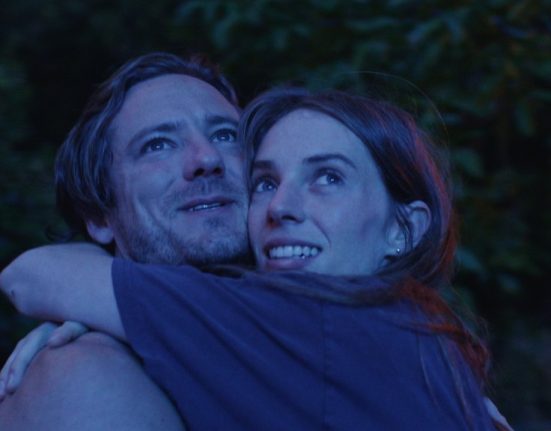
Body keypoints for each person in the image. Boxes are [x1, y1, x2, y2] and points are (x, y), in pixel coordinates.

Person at [1, 87, 505, 429]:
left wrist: (94, 285)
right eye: (266, 181)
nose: (281, 206)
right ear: (98, 214)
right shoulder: (425, 340)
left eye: (329, 177)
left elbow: (31, 275)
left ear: (403, 229)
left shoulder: (306, 324)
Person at [0, 51, 250, 430]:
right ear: (99, 216)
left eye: (226, 135)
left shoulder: (320, 307)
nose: (207, 157)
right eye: (158, 144)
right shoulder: (86, 376)